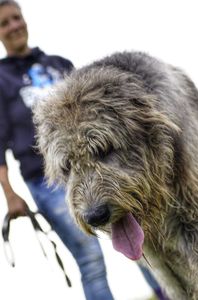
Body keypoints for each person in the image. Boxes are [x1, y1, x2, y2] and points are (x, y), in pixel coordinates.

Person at [0, 1, 115, 300]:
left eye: (16, 18)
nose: (13, 26)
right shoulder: (0, 80)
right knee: (91, 260)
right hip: (47, 181)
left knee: (141, 242)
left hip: (95, 166)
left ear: (24, 19)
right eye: (4, 23)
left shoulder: (59, 64)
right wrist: (11, 195)